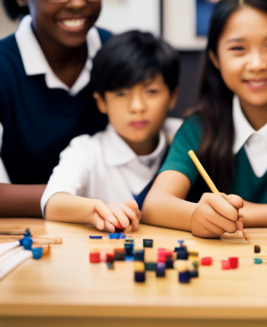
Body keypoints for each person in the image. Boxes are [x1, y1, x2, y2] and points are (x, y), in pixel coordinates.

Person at [142, 0, 267, 237]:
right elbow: (154, 205)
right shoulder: (199, 127)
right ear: (216, 58)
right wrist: (196, 215)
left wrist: (247, 214)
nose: (257, 64)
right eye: (238, 49)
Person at [0, 0, 111, 217]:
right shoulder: (4, 68)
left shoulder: (117, 55)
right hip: (25, 239)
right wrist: (78, 201)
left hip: (112, 229)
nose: (77, 3)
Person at [41, 30, 181, 232]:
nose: (137, 107)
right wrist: (95, 210)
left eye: (151, 91)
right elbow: (52, 203)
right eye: (122, 93)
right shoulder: (86, 151)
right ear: (101, 102)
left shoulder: (183, 136)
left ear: (173, 96)